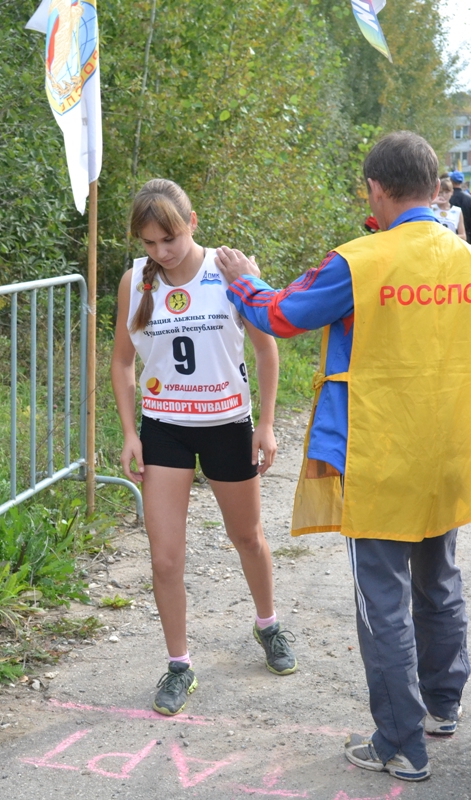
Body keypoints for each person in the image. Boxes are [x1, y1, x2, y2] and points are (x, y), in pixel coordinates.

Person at [215, 131, 471, 782]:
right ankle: (443, 708)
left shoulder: (360, 260)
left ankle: (398, 743)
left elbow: (280, 315)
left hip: (378, 456)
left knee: (381, 602)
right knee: (439, 582)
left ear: (375, 190)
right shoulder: (462, 257)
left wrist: (243, 282)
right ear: (433, 183)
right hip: (446, 452)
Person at [111, 178, 296, 717]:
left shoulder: (231, 268)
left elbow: (266, 350)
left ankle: (268, 625)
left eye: (168, 238)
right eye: (148, 243)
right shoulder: (135, 284)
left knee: (249, 537)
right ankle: (179, 665)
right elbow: (123, 362)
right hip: (165, 429)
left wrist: (265, 423)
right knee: (164, 559)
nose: (161, 252)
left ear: (191, 223)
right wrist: (129, 432)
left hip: (226, 424)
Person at [449, 169, 471, 242]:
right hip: (467, 237)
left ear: (451, 181)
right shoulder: (469, 198)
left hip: (451, 237)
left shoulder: (447, 198)